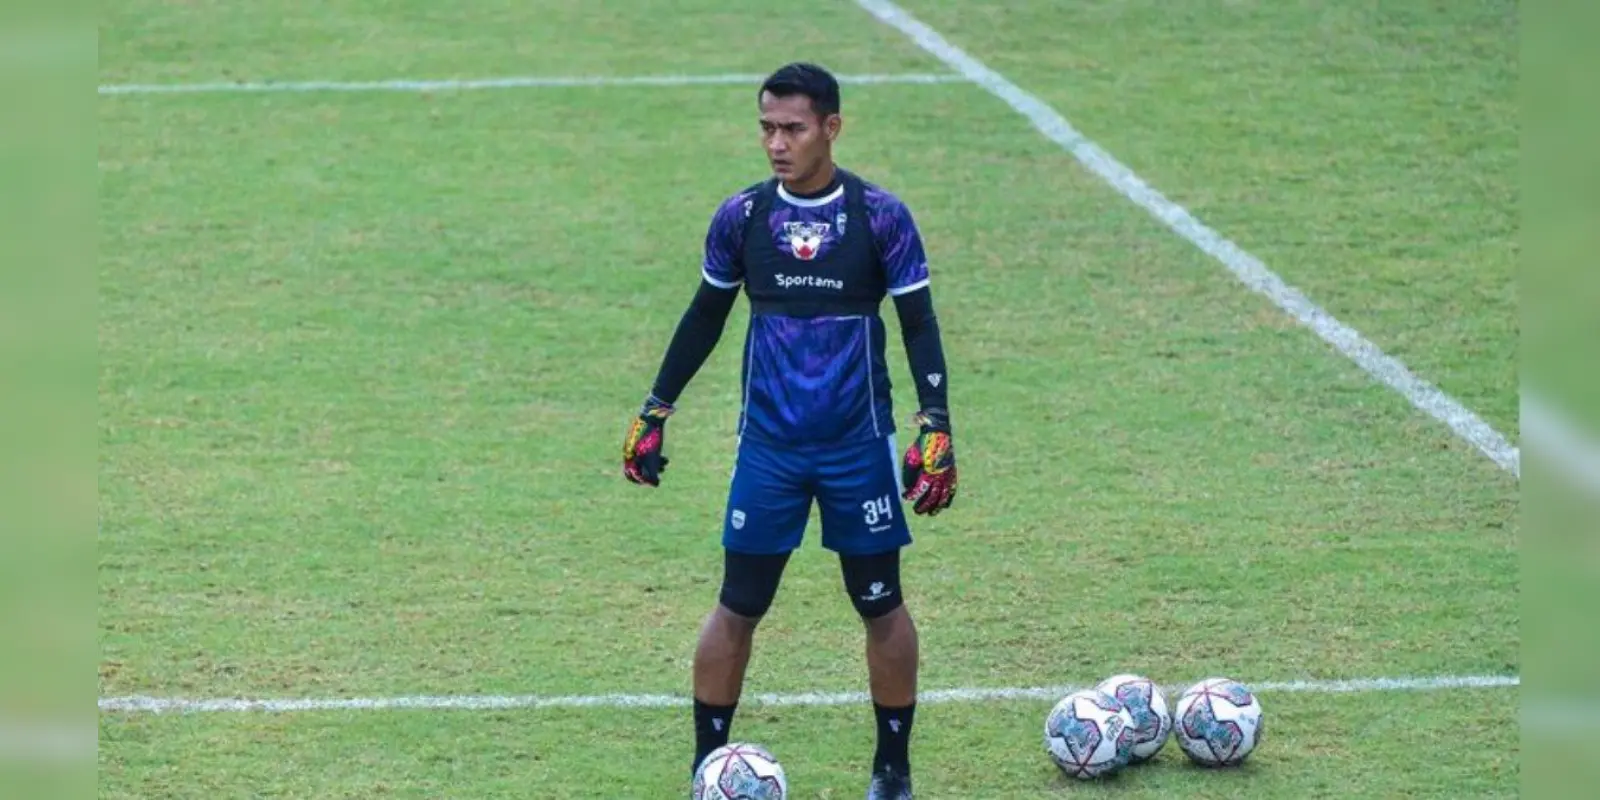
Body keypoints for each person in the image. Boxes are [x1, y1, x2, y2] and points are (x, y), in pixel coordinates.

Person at [621, 61, 958, 800]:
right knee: (738, 602)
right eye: (767, 128)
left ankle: (892, 770)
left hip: (858, 447)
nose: (777, 143)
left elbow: (919, 323)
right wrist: (656, 408)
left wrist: (935, 423)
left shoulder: (879, 217)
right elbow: (705, 315)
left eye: (793, 129)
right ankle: (708, 765)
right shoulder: (743, 217)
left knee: (880, 602)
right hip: (768, 451)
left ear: (831, 128)